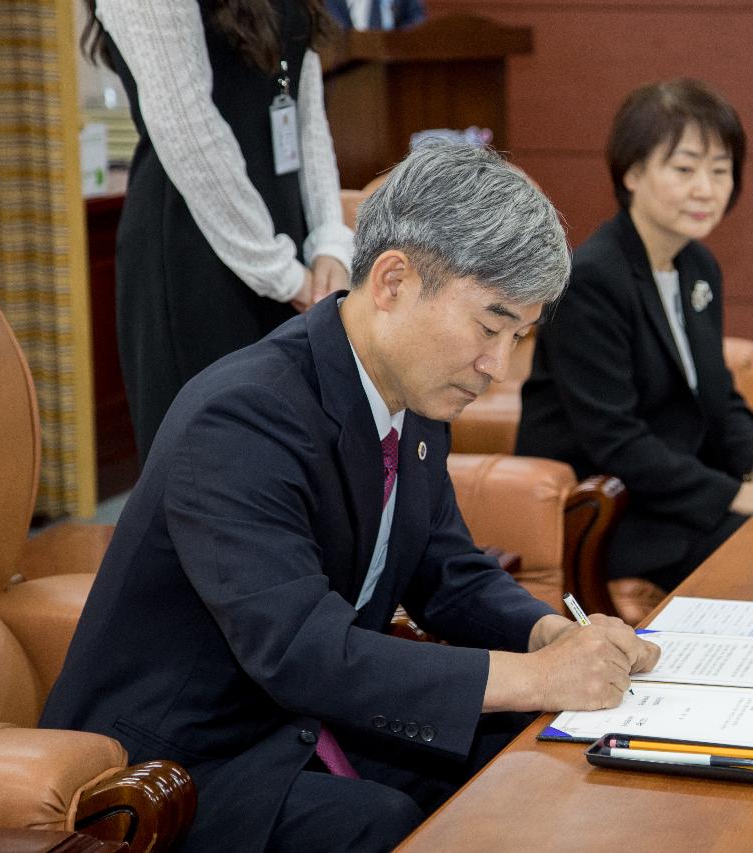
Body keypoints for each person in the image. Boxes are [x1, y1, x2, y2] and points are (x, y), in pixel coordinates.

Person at [41, 142, 660, 853]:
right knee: (379, 821)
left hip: (300, 720)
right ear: (393, 280)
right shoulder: (242, 416)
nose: (497, 366)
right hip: (178, 761)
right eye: (489, 327)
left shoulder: (416, 398)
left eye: (517, 336)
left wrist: (545, 634)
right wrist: (537, 675)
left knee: (523, 752)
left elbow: (447, 570)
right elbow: (303, 650)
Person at [516, 79, 753, 625]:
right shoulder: (592, 278)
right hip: (618, 508)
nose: (706, 189)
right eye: (685, 168)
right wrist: (732, 496)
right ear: (632, 173)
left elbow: (718, 398)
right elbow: (613, 439)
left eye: (720, 169)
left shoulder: (698, 267)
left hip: (677, 489)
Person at [83, 0, 354, 463]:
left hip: (289, 253)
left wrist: (329, 240)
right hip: (197, 253)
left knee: (295, 472)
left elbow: (305, 108)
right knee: (217, 474)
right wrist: (278, 271)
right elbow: (187, 126)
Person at [325, 0, 425, 31]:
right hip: (349, 71)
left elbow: (417, 20)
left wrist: (397, 41)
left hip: (397, 67)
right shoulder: (332, 2)